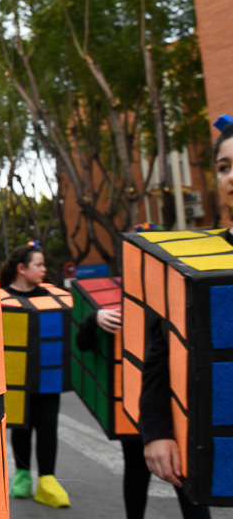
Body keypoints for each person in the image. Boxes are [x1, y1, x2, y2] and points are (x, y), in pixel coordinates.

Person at [139, 120, 233, 518]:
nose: (232, 176)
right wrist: (158, 431)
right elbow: (161, 352)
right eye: (225, 166)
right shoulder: (193, 263)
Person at [0, 243, 71, 507]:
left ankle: (47, 480)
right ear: (22, 268)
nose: (44, 269)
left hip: (47, 379)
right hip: (15, 380)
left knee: (48, 427)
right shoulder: (0, 297)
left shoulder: (56, 298)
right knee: (20, 427)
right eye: (38, 265)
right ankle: (21, 475)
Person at [76, 298, 151, 517]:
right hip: (133, 402)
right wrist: (93, 318)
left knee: (183, 477)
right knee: (136, 469)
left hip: (174, 405)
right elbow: (82, 344)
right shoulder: (120, 307)